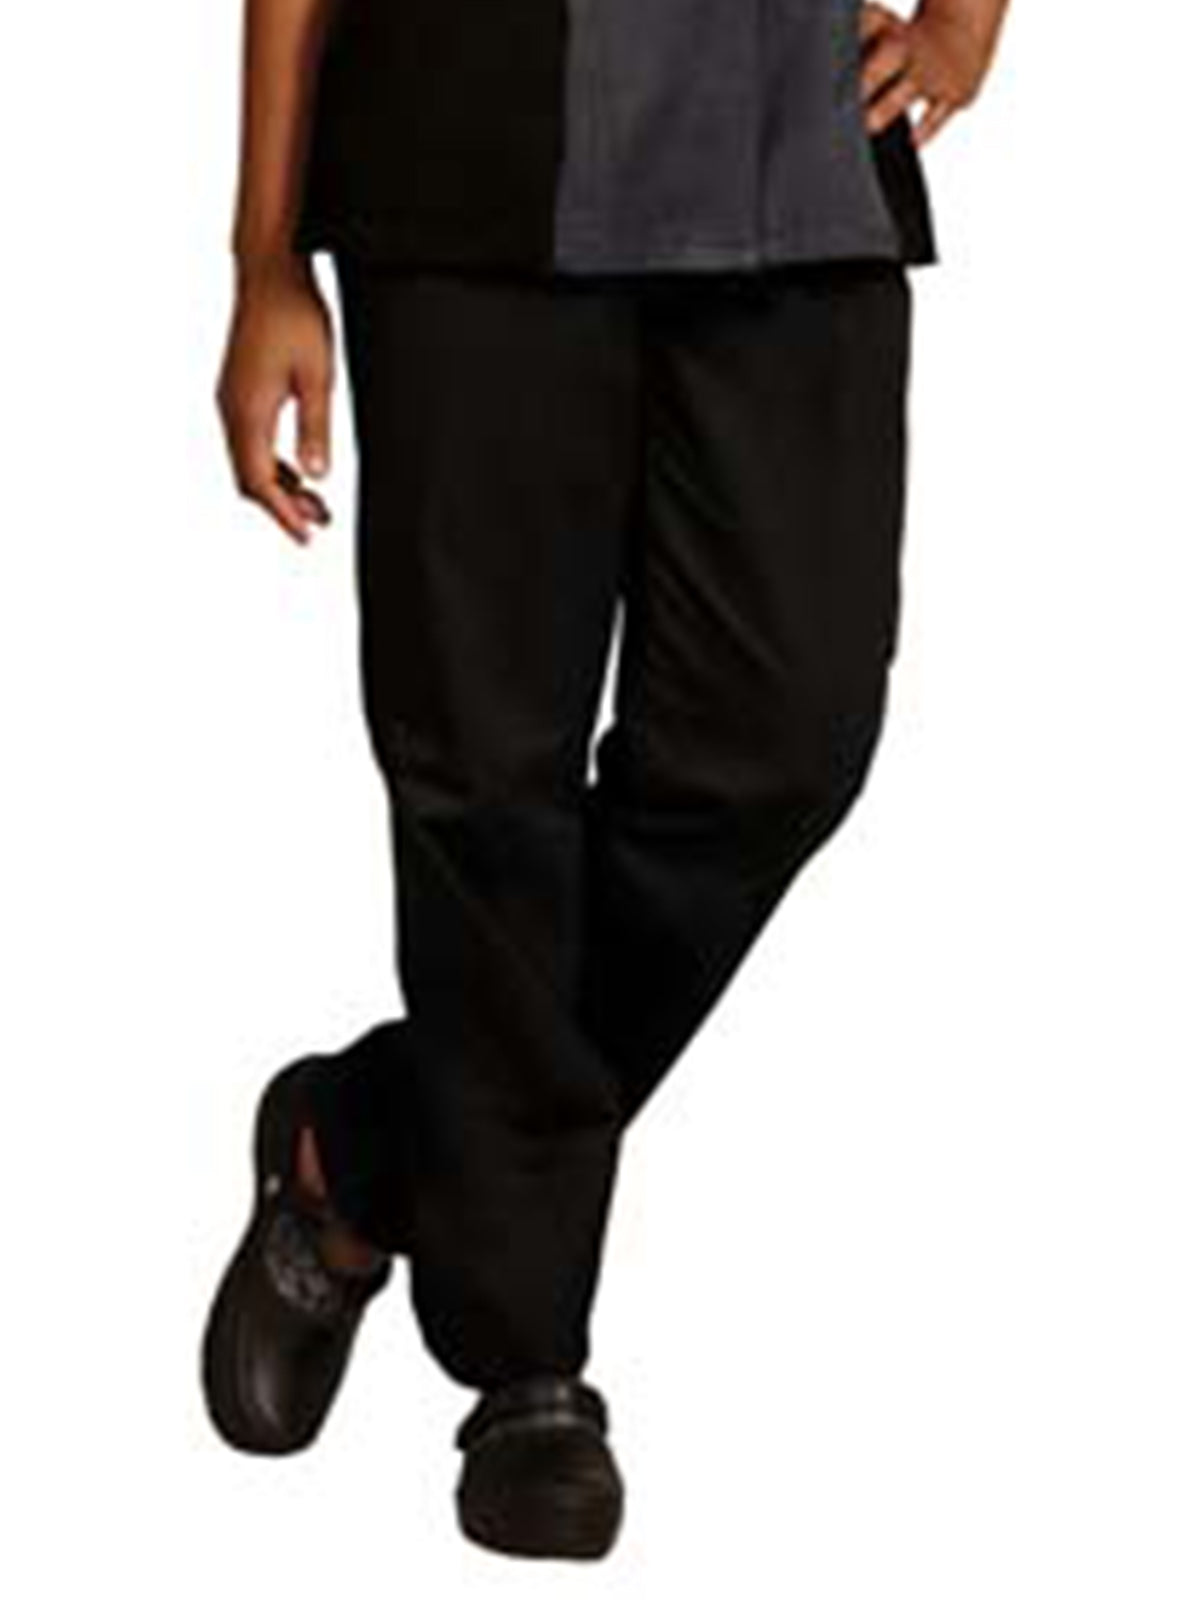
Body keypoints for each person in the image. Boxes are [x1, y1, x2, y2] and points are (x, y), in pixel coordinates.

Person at [201, 0, 1011, 1562]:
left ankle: (365, 1149)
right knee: (482, 773)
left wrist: (972, 26)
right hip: (463, 145)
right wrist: (263, 255)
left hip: (792, 146)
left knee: (785, 737)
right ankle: (527, 1375)